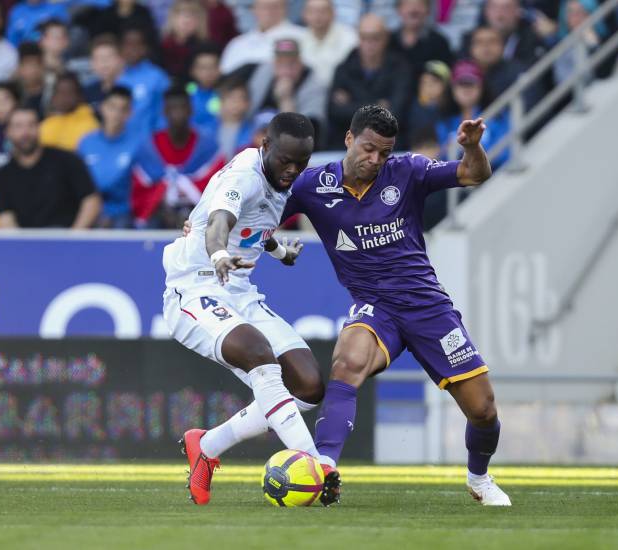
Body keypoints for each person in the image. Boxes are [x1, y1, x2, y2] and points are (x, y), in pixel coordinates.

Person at [281, 104, 508, 505]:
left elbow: (475, 173)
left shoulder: (409, 170)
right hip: (375, 307)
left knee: (484, 409)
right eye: (368, 149)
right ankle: (324, 467)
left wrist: (472, 147)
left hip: (427, 307)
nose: (375, 159)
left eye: (384, 152)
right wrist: (209, 223)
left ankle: (479, 478)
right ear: (349, 139)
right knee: (346, 362)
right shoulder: (311, 185)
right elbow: (260, 208)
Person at [161, 112, 338, 506]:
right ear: (265, 147)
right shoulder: (244, 175)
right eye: (285, 161)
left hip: (239, 290)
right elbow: (218, 222)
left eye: (300, 163)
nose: (291, 171)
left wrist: (277, 251)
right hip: (195, 288)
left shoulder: (277, 178)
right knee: (260, 355)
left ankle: (207, 445)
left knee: (308, 387)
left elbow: (254, 226)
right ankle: (316, 466)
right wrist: (219, 252)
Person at [0, 105, 101, 228]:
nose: (25, 132)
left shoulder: (67, 160)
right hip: (28, 242)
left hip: (66, 237)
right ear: (8, 132)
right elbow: (5, 217)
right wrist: (19, 245)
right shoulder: (4, 175)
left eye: (31, 125)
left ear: (40, 127)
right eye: (18, 126)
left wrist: (74, 238)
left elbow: (91, 200)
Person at [134, 86, 224, 228]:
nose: (178, 114)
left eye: (182, 108)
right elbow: (140, 191)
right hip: (159, 215)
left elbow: (217, 186)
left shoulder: (207, 147)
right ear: (165, 111)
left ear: (190, 110)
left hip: (199, 216)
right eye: (172, 109)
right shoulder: (150, 147)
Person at [78, 86, 166, 228]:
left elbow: (154, 183)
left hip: (125, 213)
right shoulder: (86, 143)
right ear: (102, 108)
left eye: (123, 109)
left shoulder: (140, 143)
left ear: (130, 113)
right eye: (112, 107)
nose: (117, 114)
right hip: (91, 209)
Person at [326, 14, 411, 149]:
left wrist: (352, 105)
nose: (369, 44)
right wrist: (379, 106)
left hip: (388, 145)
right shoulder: (344, 68)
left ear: (386, 38)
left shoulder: (400, 68)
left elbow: (397, 112)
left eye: (375, 38)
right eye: (364, 38)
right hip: (349, 145)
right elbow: (334, 112)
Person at [436, 60, 509, 168]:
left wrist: (470, 150)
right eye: (461, 84)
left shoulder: (497, 116)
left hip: (493, 179)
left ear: (481, 88)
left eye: (471, 83)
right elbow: (438, 158)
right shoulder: (444, 122)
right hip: (457, 182)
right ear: (452, 89)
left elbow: (505, 154)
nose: (466, 89)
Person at [246, 39, 326, 136]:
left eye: (291, 63)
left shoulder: (313, 84)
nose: (285, 70)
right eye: (280, 63)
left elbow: (303, 135)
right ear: (274, 63)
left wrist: (286, 99)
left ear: (300, 63)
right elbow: (246, 112)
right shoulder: (264, 73)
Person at [219, 0, 307, 75]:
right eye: (263, 7)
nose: (268, 12)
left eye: (274, 7)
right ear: (254, 10)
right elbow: (225, 76)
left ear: (285, 8)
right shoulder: (237, 44)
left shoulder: (302, 37)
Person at [389, 0, 454, 88]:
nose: (413, 10)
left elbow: (444, 78)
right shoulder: (388, 41)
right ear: (398, 10)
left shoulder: (440, 42)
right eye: (408, 4)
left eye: (419, 4)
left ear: (428, 10)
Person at [118, 27, 171, 134]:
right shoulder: (117, 75)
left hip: (149, 142)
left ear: (145, 49)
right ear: (121, 48)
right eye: (127, 44)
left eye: (137, 45)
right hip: (121, 141)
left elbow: (165, 113)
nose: (132, 49)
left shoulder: (158, 77)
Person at [299, 0, 358, 87]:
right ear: (304, 15)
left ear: (333, 13)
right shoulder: (298, 39)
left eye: (323, 11)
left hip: (338, 90)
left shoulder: (350, 38)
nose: (317, 16)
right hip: (308, 94)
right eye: (312, 11)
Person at [39, 72, 99, 151]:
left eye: (69, 92)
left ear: (79, 96)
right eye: (59, 92)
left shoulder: (90, 125)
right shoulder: (46, 124)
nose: (63, 98)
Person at [482, 0, 548, 67]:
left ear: (518, 11)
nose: (499, 14)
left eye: (506, 8)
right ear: (486, 11)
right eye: (494, 7)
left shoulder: (532, 40)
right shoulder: (474, 39)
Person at [161, 0, 215, 80]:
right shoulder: (162, 47)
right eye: (181, 15)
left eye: (192, 16)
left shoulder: (206, 48)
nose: (186, 21)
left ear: (200, 21)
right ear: (172, 18)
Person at [407, 60, 451, 142]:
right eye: (423, 82)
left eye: (434, 81)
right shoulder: (412, 111)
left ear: (446, 86)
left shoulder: (452, 110)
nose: (428, 86)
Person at [211, 79, 254, 161]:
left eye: (241, 98)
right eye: (231, 98)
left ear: (248, 103)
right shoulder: (207, 130)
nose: (236, 103)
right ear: (221, 101)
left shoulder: (254, 131)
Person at [84, 34, 125, 114]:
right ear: (92, 63)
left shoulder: (131, 88)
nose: (104, 63)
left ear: (120, 59)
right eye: (99, 58)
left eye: (109, 57)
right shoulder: (87, 92)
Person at [186, 44, 222, 132]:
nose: (208, 73)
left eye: (213, 67)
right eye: (203, 68)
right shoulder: (186, 94)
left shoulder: (226, 95)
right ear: (192, 71)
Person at [6, 0, 70, 46]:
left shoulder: (56, 8)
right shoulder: (17, 11)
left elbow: (64, 36)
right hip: (25, 55)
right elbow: (11, 41)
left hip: (52, 52)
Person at [14, 42, 46, 117]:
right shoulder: (12, 91)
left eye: (37, 64)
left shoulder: (53, 89)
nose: (33, 69)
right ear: (19, 67)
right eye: (28, 64)